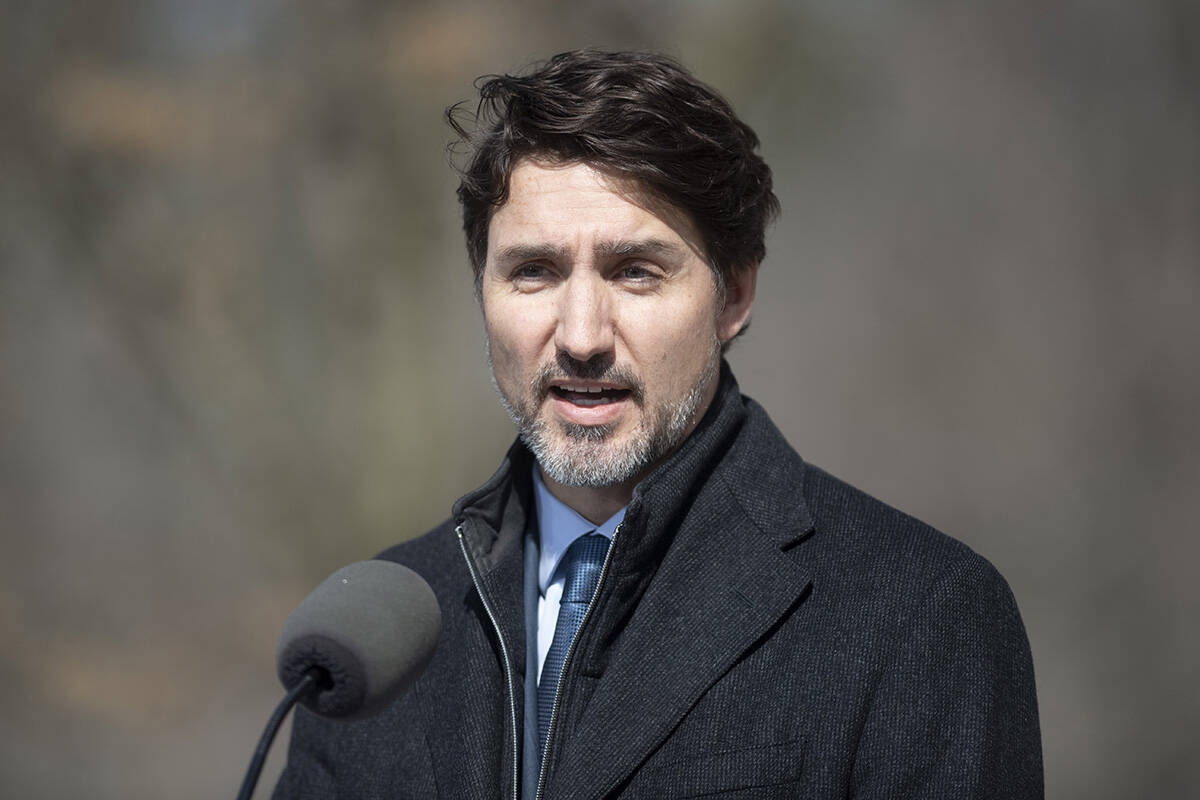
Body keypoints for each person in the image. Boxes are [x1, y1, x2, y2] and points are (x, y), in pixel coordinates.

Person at [274, 49, 1042, 800]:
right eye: (534, 271)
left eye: (635, 271)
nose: (581, 335)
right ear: (483, 292)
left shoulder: (916, 615)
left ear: (733, 296)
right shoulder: (371, 642)